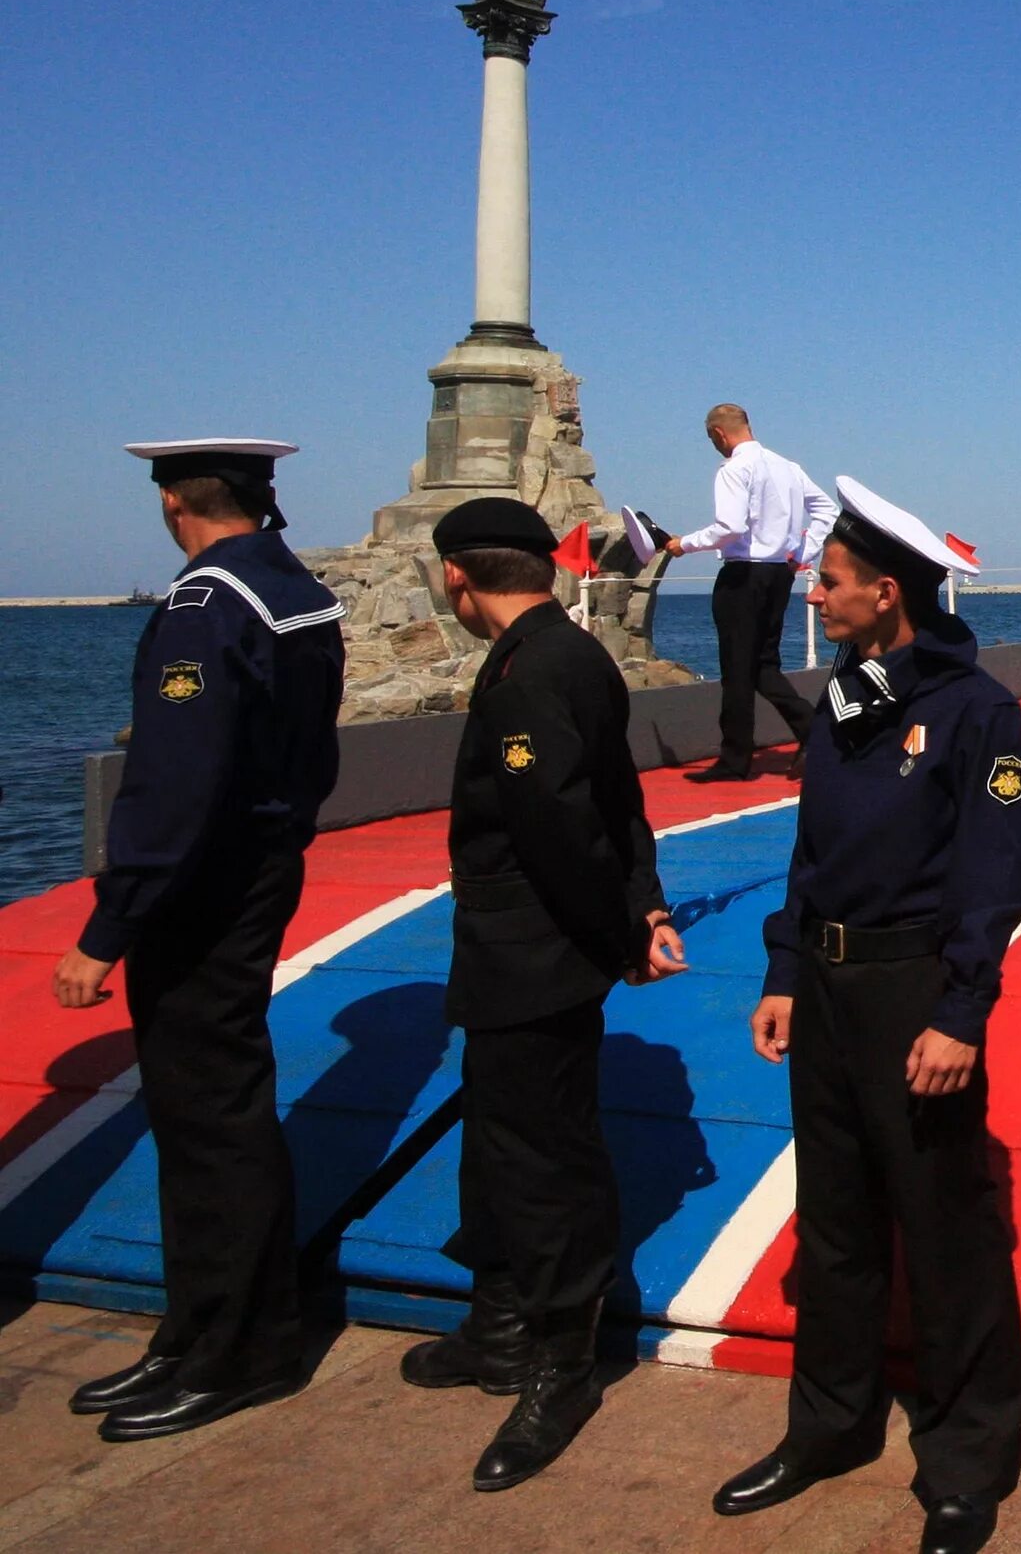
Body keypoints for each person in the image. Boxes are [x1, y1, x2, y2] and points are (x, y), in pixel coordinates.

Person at [713, 478, 1021, 1554]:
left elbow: (993, 878)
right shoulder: (848, 700)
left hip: (914, 991)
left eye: (832, 579)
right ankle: (830, 1426)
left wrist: (962, 1009)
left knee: (945, 1234)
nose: (815, 592)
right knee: (838, 1219)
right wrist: (785, 969)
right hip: (831, 993)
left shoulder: (975, 707)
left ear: (886, 593)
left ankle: (965, 1459)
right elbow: (813, 855)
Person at [54, 439, 342, 1440]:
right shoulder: (294, 590)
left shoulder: (206, 606)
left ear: (176, 502)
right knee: (215, 1111)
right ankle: (199, 1326)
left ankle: (241, 1347)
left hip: (204, 889)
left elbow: (175, 783)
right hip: (258, 866)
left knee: (208, 1119)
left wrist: (108, 926)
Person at [407, 497, 687, 1492]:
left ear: (456, 578)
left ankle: (560, 1362)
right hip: (521, 952)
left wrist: (620, 936)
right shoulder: (570, 655)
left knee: (543, 1158)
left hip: (533, 952)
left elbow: (563, 825)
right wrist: (645, 906)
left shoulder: (531, 671)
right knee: (498, 1143)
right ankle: (497, 1324)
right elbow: (621, 799)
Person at [655, 403, 838, 782]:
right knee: (763, 664)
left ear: (719, 433)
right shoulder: (788, 467)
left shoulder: (734, 469)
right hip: (778, 573)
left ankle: (736, 759)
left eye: (712, 439)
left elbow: (730, 526)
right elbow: (827, 510)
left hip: (743, 576)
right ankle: (813, 731)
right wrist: (803, 554)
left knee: (737, 670)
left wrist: (682, 544)